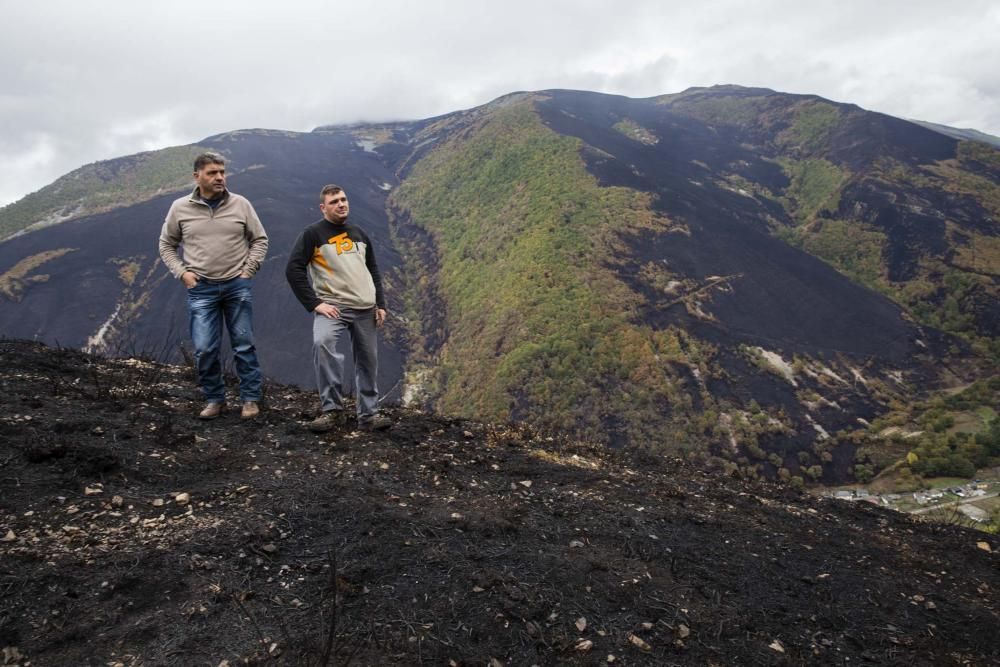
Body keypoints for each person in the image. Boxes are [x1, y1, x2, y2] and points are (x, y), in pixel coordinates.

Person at [158, 152, 268, 420]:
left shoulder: (240, 204)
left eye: (222, 172)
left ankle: (251, 399)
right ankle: (214, 399)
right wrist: (183, 273)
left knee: (243, 344)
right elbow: (166, 244)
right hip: (201, 288)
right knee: (205, 347)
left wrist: (248, 270)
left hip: (236, 286)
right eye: (212, 173)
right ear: (197, 176)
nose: (219, 177)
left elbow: (260, 239)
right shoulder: (180, 208)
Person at [285, 184, 391, 432]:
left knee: (368, 361)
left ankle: (368, 416)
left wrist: (381, 304)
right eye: (334, 202)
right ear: (323, 207)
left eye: (343, 199)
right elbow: (294, 269)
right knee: (323, 343)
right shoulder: (312, 234)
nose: (341, 204)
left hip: (366, 308)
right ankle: (332, 411)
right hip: (334, 307)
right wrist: (315, 303)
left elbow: (372, 270)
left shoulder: (359, 234)